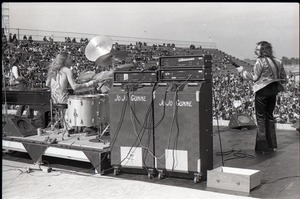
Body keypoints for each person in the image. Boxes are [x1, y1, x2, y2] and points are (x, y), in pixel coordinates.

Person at [236, 41, 287, 153]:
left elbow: (254, 77)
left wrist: (242, 72)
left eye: (257, 49)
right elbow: (284, 78)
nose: (256, 51)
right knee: (270, 117)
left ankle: (262, 146)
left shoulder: (260, 61)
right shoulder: (278, 61)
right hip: (273, 91)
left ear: (263, 50)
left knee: (260, 118)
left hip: (262, 91)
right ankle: (272, 145)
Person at [46, 52, 98, 135]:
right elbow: (75, 87)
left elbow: (47, 84)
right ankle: (87, 126)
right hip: (63, 99)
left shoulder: (54, 70)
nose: (72, 60)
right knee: (84, 100)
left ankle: (69, 126)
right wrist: (90, 84)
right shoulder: (67, 70)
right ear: (65, 59)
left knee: (75, 96)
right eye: (70, 58)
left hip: (55, 99)